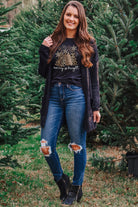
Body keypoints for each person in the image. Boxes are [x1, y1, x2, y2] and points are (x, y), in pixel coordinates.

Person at [38, 1, 101, 205]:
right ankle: (61, 180)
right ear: (63, 17)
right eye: (68, 15)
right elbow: (43, 73)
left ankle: (76, 186)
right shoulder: (53, 40)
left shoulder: (88, 44)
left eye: (75, 16)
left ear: (80, 19)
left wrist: (95, 106)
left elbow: (94, 79)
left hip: (77, 97)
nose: (71, 19)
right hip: (54, 96)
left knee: (77, 145)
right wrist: (43, 51)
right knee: (46, 145)